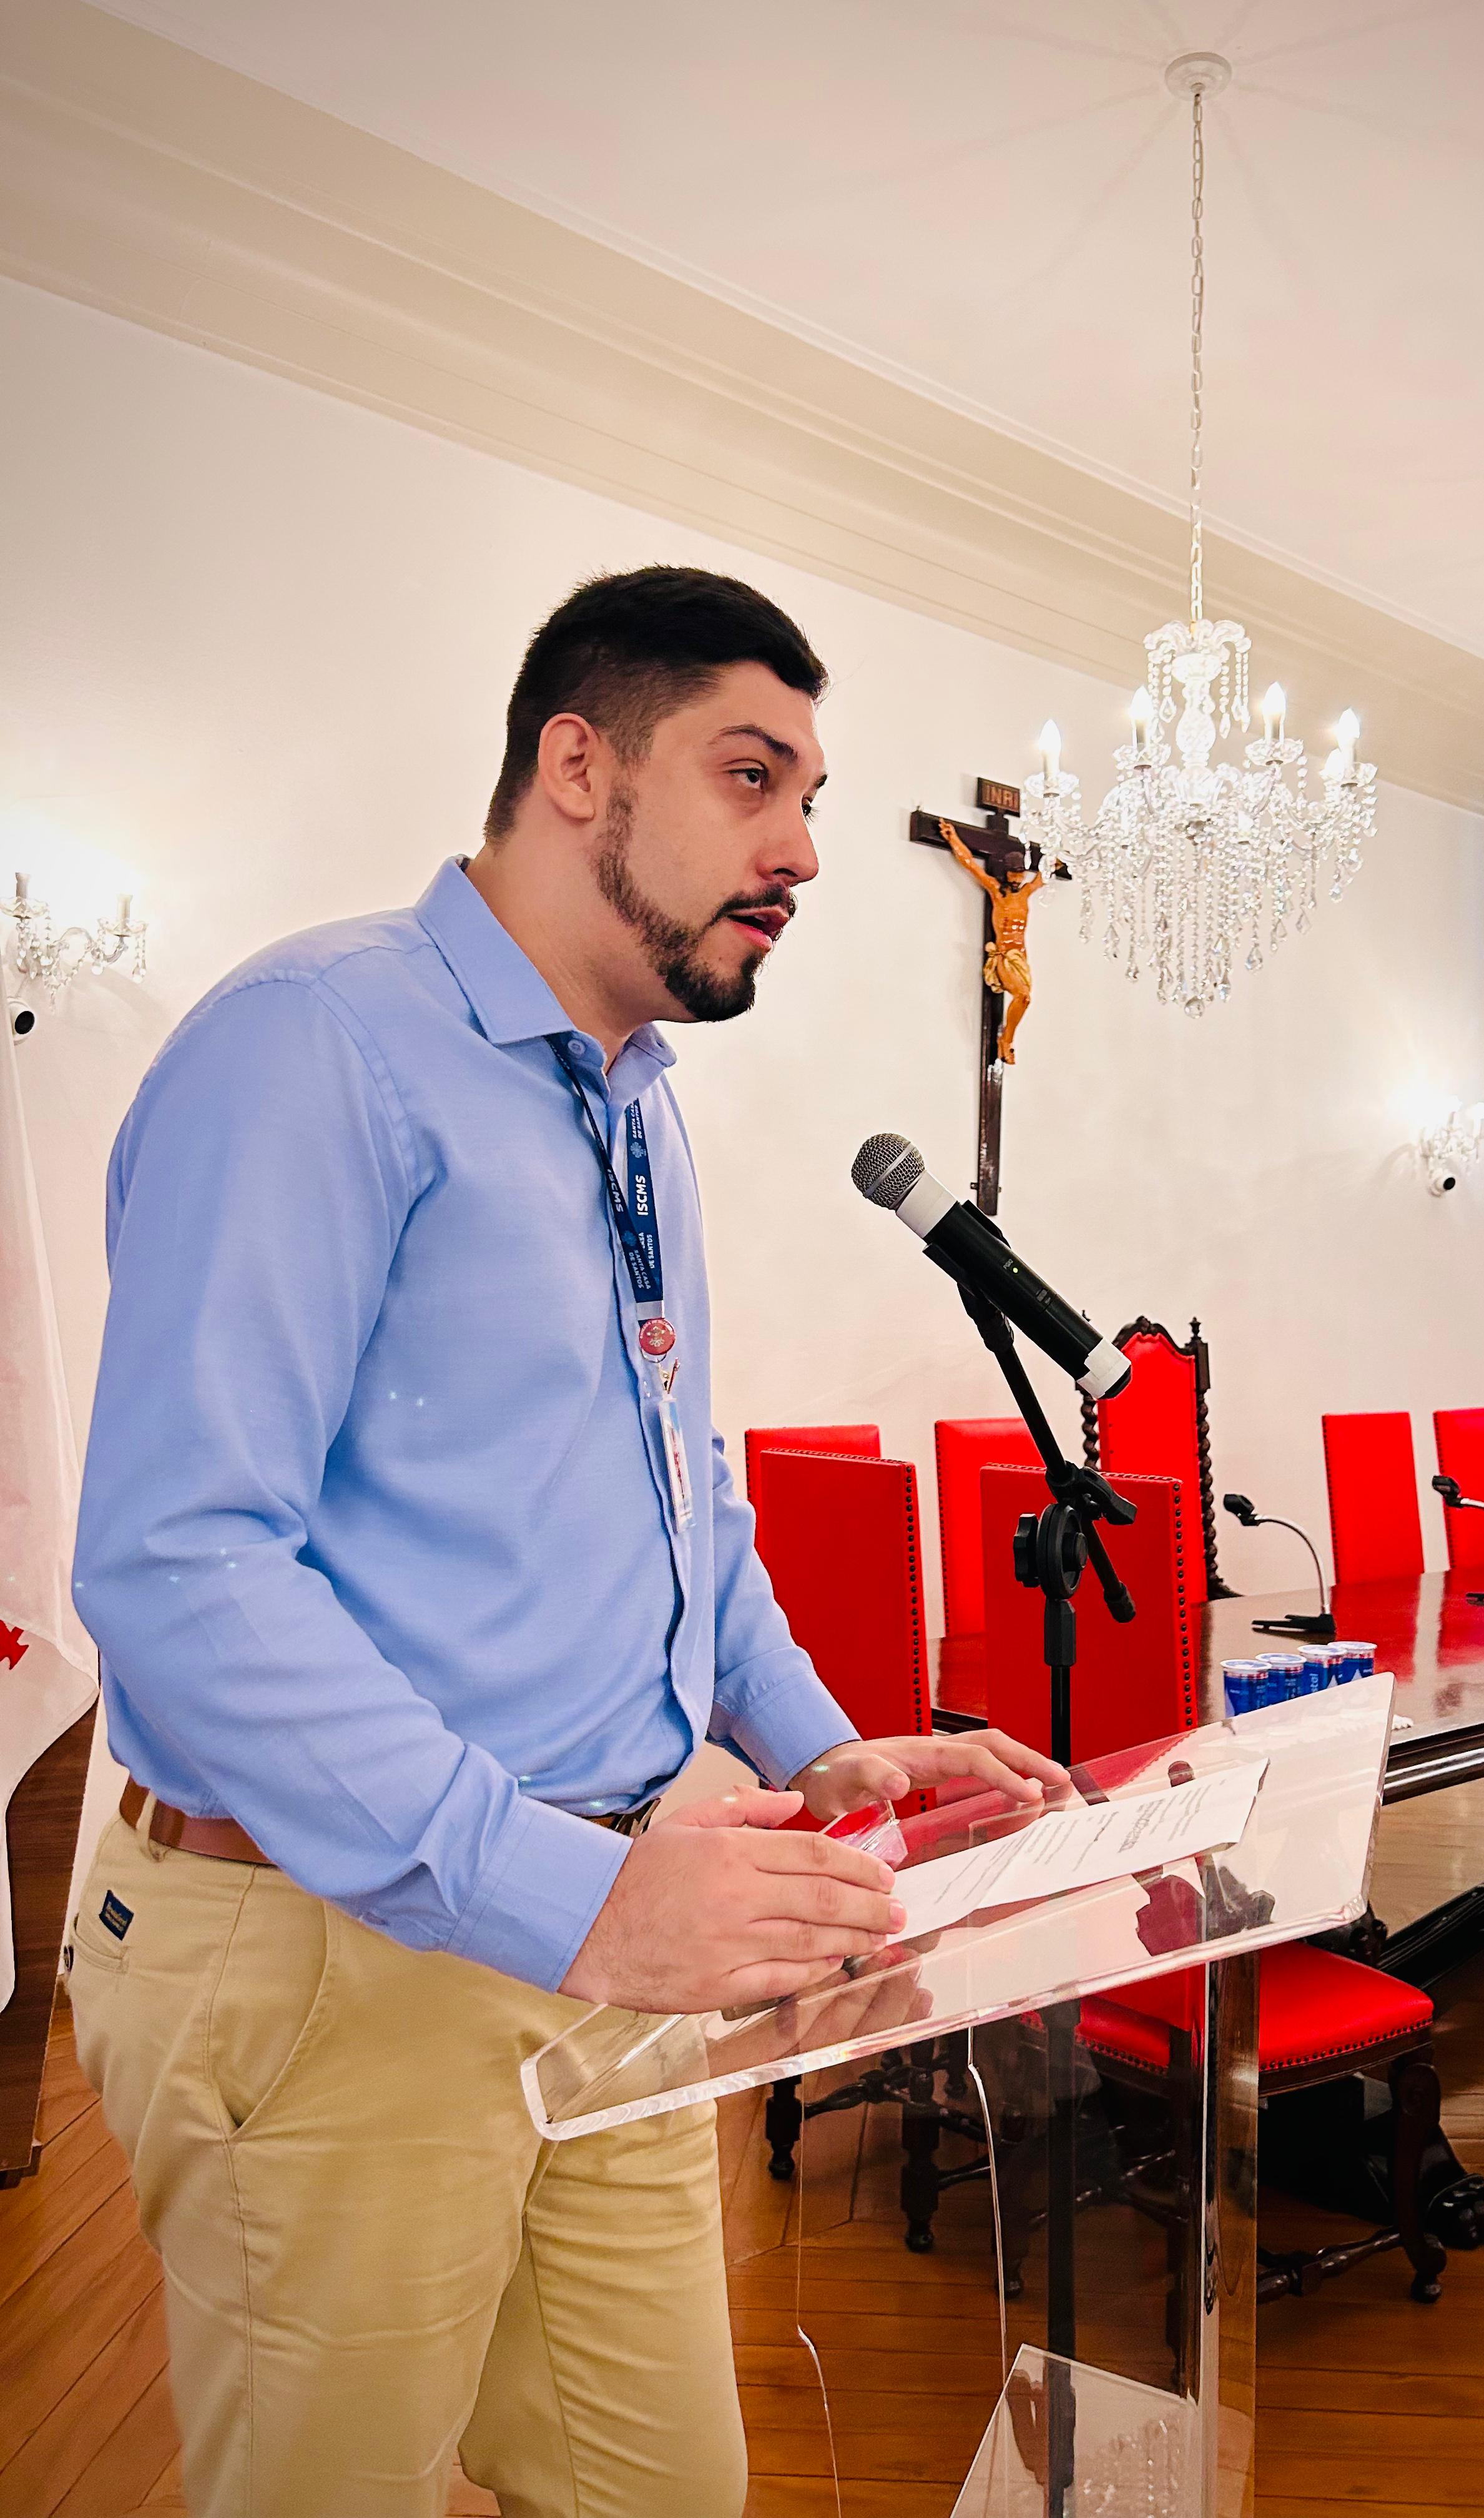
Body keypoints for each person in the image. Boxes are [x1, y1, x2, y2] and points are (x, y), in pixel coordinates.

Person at [66, 566, 1064, 2518]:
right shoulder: (314, 1047)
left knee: (660, 2490)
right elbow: (179, 1567)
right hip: (332, 1942)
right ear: (579, 766)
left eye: (812, 799)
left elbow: (684, 1497)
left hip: (615, 1916)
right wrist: (573, 1899)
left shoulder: (634, 1108)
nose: (801, 849)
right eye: (751, 777)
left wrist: (815, 1746)